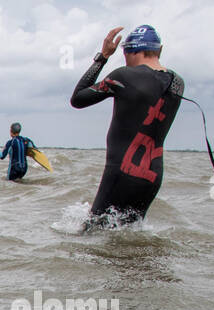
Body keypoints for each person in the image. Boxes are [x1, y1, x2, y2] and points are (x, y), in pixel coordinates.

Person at [71, 24, 184, 224]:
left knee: (92, 237)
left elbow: (78, 99)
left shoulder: (123, 76)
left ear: (132, 51)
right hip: (152, 176)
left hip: (121, 171)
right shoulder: (177, 82)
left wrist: (103, 56)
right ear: (160, 50)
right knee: (130, 239)